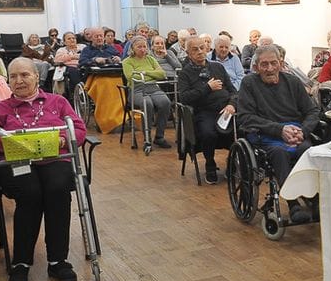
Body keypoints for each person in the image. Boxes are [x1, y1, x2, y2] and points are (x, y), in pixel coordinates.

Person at [0, 58, 86, 281]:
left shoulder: (57, 102)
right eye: (14, 76)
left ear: (37, 77)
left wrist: (62, 140)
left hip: (54, 157)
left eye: (25, 75)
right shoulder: (0, 109)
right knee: (30, 193)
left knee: (58, 189)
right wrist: (11, 144)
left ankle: (58, 261)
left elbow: (78, 129)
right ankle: (21, 262)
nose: (19, 80)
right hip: (18, 162)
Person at [237, 44, 319, 221]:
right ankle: (293, 204)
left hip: (296, 134)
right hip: (264, 136)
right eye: (264, 64)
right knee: (279, 153)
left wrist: (302, 132)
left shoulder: (293, 82)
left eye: (273, 63)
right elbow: (245, 117)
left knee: (308, 151)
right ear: (256, 66)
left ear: (281, 63)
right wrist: (279, 130)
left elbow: (312, 111)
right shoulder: (249, 84)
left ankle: (315, 200)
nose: (270, 69)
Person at [179, 36, 237, 183]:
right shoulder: (185, 73)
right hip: (204, 111)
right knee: (208, 132)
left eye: (202, 48)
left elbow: (233, 91)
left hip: (226, 109)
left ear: (207, 48)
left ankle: (233, 163)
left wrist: (231, 104)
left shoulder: (217, 67)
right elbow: (184, 98)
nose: (199, 51)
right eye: (195, 49)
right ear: (188, 53)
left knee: (244, 128)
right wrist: (207, 88)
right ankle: (210, 164)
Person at [122, 36, 172, 148]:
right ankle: (147, 138)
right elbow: (131, 77)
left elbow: (162, 74)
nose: (142, 49)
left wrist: (143, 73)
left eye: (144, 46)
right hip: (136, 90)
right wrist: (151, 73)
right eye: (139, 47)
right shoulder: (127, 61)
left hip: (153, 87)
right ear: (132, 48)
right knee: (147, 104)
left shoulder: (150, 59)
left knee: (166, 102)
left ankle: (159, 137)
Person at [53, 31, 84, 97]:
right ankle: (78, 92)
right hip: (69, 68)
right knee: (73, 71)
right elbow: (57, 60)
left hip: (83, 66)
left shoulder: (82, 47)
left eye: (73, 38)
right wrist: (72, 57)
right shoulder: (61, 50)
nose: (72, 40)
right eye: (69, 39)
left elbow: (87, 56)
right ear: (64, 42)